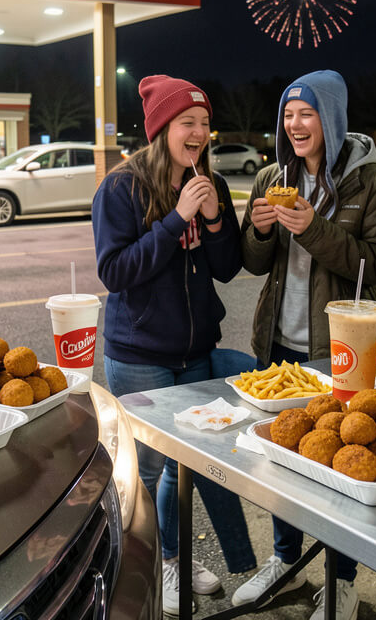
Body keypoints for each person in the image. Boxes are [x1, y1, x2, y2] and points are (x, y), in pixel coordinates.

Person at [232, 70, 376, 620]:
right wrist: (260, 232)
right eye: (287, 114)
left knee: (343, 464)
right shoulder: (271, 176)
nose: (295, 124)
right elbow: (253, 263)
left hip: (343, 352)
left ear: (330, 118)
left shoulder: (371, 181)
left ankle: (341, 578)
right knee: (284, 460)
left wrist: (312, 228)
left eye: (306, 113)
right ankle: (286, 561)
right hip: (279, 344)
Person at [92, 74, 257, 615]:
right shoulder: (120, 188)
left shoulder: (211, 183)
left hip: (197, 352)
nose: (200, 133)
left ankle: (174, 553)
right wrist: (176, 219)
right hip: (139, 356)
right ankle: (150, 565)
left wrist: (213, 220)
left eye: (205, 123)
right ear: (162, 128)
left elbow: (227, 268)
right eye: (188, 122)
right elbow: (115, 272)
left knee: (187, 463)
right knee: (145, 470)